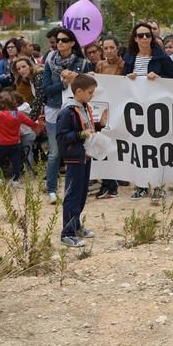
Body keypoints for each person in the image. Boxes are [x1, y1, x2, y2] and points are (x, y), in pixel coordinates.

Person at [124, 22, 173, 200]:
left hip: (157, 111)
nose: (145, 38)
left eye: (148, 35)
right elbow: (121, 84)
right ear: (135, 38)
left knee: (157, 148)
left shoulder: (162, 58)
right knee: (138, 149)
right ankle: (140, 186)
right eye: (141, 35)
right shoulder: (130, 58)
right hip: (137, 113)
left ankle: (157, 186)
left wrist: (160, 79)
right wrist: (128, 78)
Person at [42, 28, 93, 204]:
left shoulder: (83, 63)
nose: (60, 43)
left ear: (72, 43)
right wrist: (64, 84)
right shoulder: (49, 61)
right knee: (55, 152)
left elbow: (90, 86)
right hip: (54, 109)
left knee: (78, 148)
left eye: (64, 40)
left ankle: (76, 187)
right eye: (58, 40)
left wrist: (77, 78)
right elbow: (46, 89)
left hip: (76, 111)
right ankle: (51, 189)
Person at [57, 74, 107, 248]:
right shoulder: (67, 111)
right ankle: (67, 233)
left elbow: (87, 128)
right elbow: (62, 136)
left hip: (85, 155)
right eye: (90, 92)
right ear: (78, 91)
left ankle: (76, 226)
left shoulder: (84, 107)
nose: (92, 95)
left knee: (82, 193)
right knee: (72, 194)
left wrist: (99, 125)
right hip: (74, 157)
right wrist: (80, 135)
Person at [0, 91, 38, 186]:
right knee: (16, 161)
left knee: (0, 161)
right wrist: (38, 125)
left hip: (3, 143)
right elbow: (30, 123)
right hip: (15, 143)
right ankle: (15, 180)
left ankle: (0, 179)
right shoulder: (17, 114)